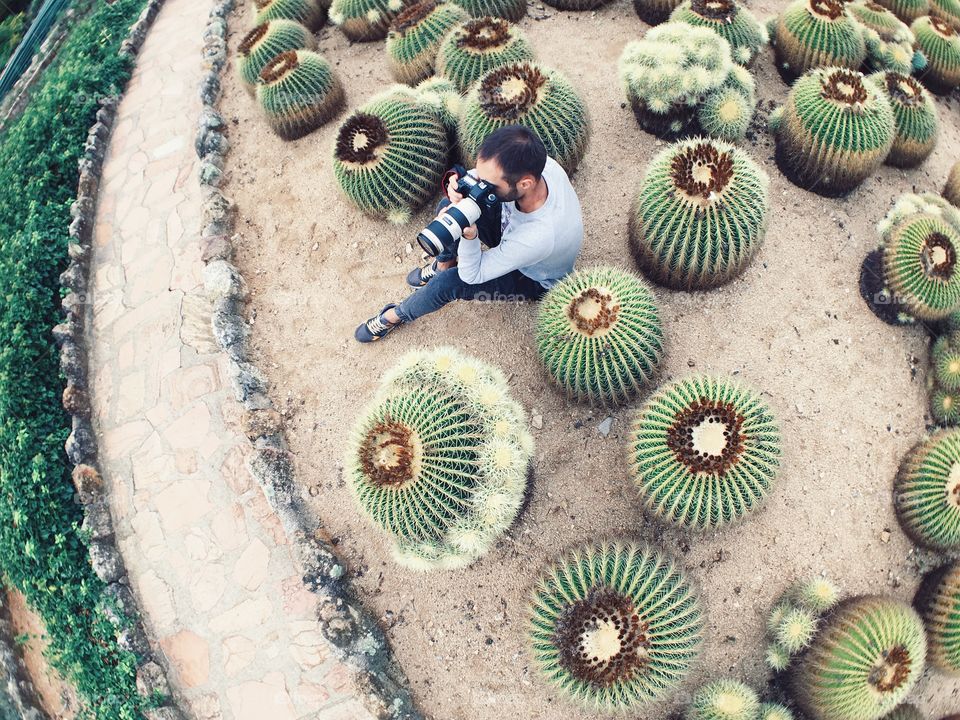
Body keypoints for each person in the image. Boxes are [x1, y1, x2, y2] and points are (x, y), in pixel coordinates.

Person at [354, 124, 584, 343]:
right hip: (512, 234)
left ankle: (396, 315)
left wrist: (470, 236)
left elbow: (472, 275)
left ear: (525, 184)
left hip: (534, 278)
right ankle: (443, 263)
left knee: (448, 284)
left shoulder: (539, 235)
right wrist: (457, 182)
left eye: (487, 184)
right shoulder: (541, 166)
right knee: (449, 207)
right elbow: (478, 176)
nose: (479, 183)